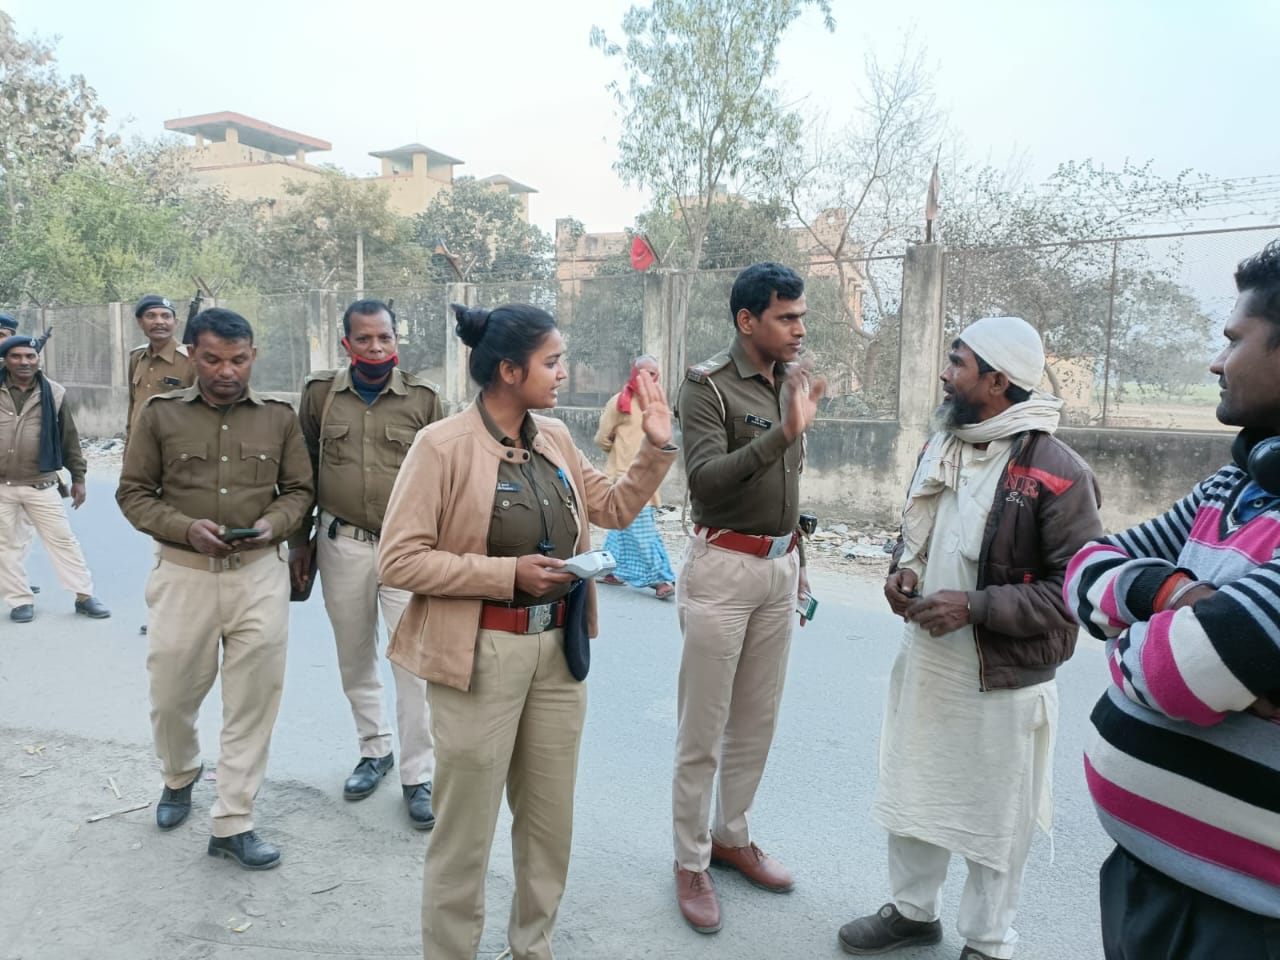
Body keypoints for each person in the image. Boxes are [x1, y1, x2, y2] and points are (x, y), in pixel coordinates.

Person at [378, 302, 677, 960]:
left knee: (548, 826)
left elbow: (616, 506)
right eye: (552, 362)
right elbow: (398, 559)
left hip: (556, 654)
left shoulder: (555, 441)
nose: (563, 373)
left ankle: (531, 947)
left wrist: (657, 445)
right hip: (478, 657)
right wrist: (505, 573)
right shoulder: (443, 446)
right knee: (466, 834)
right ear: (509, 371)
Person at [837, 316, 1102, 960]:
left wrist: (976, 607)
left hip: (1002, 676)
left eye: (957, 362)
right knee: (914, 786)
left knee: (995, 819)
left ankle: (986, 942)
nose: (945, 372)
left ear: (997, 379)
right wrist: (904, 572)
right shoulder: (943, 445)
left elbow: (1077, 590)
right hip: (931, 659)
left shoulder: (1059, 471)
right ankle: (911, 913)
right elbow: (921, 530)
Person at [1064, 240, 1280, 958]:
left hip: (1244, 924)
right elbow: (1084, 568)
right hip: (1148, 882)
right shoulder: (1236, 485)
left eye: (1232, 341)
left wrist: (1135, 633)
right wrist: (1178, 592)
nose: (1217, 363)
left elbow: (1178, 672)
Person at [116, 308, 312, 870]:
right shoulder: (160, 415)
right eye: (213, 359)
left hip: (259, 577)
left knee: (253, 703)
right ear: (193, 355)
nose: (226, 371)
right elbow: (133, 494)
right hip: (183, 577)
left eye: (238, 359)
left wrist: (277, 524)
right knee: (172, 696)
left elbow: (300, 490)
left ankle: (234, 820)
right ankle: (179, 775)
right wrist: (184, 528)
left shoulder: (278, 417)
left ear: (253, 356)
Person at [671, 262, 825, 935]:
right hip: (722, 569)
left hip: (777, 569)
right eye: (786, 317)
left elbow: (781, 487)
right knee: (703, 728)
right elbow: (706, 481)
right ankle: (690, 859)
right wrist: (783, 434)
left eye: (800, 315)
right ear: (747, 321)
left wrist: (795, 552)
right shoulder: (707, 386)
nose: (799, 327)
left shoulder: (790, 380)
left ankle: (732, 836)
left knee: (756, 720)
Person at [289, 298, 444, 828]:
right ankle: (374, 749)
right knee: (355, 655)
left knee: (414, 666)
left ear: (396, 340)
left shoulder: (424, 400)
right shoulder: (319, 397)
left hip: (408, 549)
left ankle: (418, 774)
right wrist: (299, 541)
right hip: (342, 543)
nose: (375, 348)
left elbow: (445, 479)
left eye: (384, 338)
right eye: (364, 340)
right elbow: (302, 471)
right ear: (346, 344)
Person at [0, 332, 110, 623]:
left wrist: (79, 478)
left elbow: (69, 440)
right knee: (6, 546)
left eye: (30, 356)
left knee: (63, 541)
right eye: (16, 356)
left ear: (38, 359)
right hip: (1, 487)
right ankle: (20, 600)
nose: (24, 362)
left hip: (41, 483)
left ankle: (84, 595)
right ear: (6, 360)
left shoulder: (54, 392)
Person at [594, 355, 676, 599]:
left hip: (648, 479)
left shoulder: (656, 406)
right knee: (642, 531)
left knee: (623, 527)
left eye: (654, 375)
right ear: (634, 374)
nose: (649, 379)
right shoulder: (619, 402)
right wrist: (620, 455)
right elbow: (602, 438)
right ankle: (660, 579)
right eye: (645, 374)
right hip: (622, 478)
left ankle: (610, 570)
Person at [0, 312, 39, 599]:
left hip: (21, 468)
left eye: (2, 334)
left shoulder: (25, 368)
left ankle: (14, 579)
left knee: (20, 529)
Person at [126, 294, 195, 439]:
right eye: (150, 316)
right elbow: (133, 408)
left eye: (166, 316)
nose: (159, 322)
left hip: (174, 448)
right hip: (139, 445)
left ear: (175, 322)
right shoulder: (137, 358)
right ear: (140, 322)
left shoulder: (192, 361)